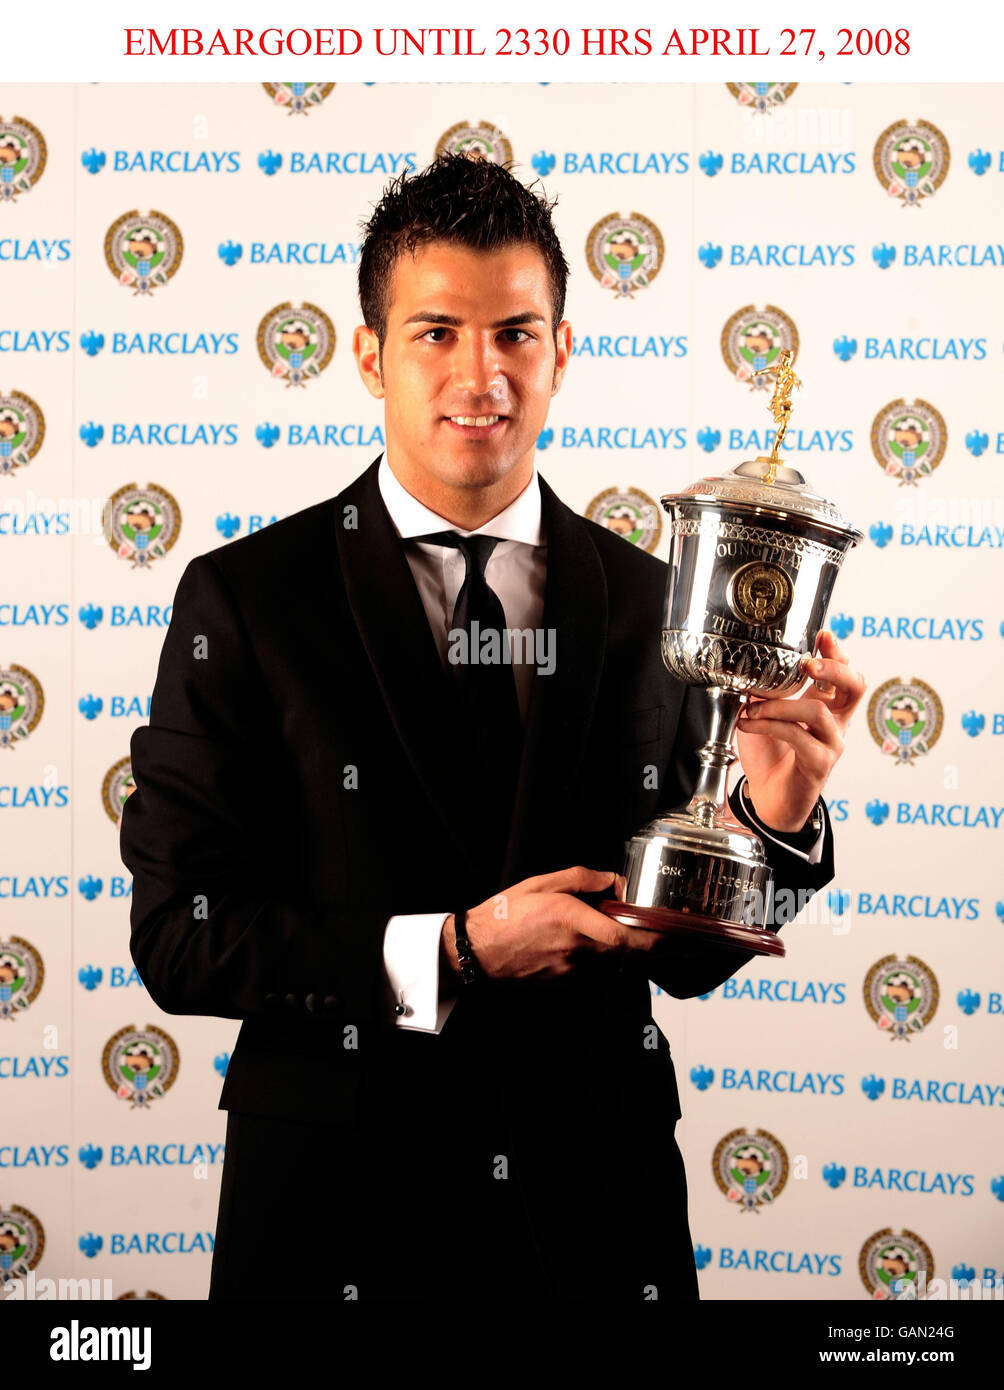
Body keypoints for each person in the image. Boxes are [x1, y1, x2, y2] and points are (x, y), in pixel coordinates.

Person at [118, 153, 865, 1302]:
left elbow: (683, 961)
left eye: (516, 332)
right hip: (334, 1214)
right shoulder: (247, 601)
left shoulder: (655, 603)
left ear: (561, 352)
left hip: (593, 1214)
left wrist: (776, 809)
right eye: (435, 333)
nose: (482, 374)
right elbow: (180, 935)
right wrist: (456, 949)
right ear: (367, 354)